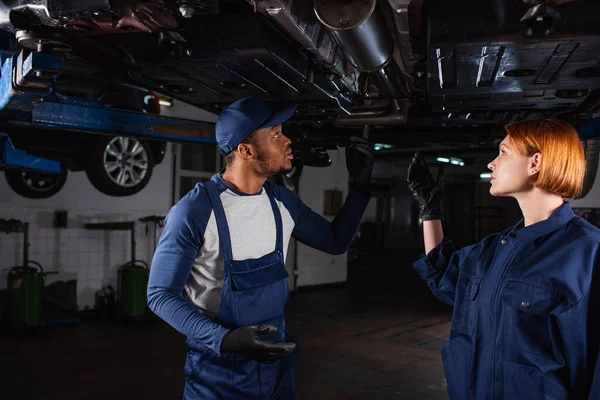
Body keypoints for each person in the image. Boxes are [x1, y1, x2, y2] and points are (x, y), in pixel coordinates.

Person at [147, 96, 373, 399]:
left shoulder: (281, 200)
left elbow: (335, 242)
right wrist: (225, 339)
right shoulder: (195, 210)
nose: (287, 140)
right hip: (218, 376)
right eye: (276, 134)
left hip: (276, 371)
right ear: (246, 150)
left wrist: (359, 188)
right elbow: (160, 296)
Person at [407, 119, 600, 399]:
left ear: (535, 163)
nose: (491, 163)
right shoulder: (494, 249)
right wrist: (429, 211)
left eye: (504, 152)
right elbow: (443, 274)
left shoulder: (588, 252)